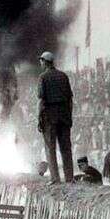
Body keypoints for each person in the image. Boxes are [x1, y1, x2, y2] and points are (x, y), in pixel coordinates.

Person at [37, 51, 74, 184]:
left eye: (41, 61)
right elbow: (70, 99)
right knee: (66, 148)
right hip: (64, 116)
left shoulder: (43, 77)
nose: (40, 63)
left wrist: (39, 118)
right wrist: (69, 116)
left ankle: (55, 178)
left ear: (45, 62)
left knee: (50, 148)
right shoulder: (63, 76)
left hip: (50, 117)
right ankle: (69, 178)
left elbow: (41, 100)